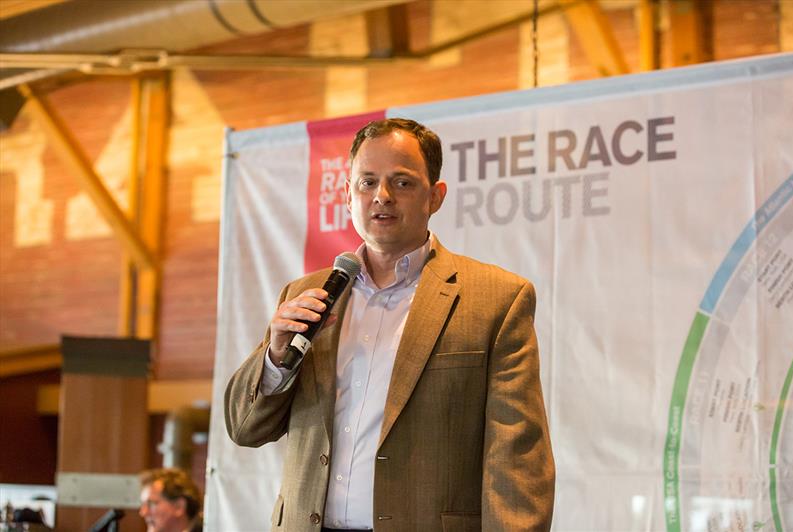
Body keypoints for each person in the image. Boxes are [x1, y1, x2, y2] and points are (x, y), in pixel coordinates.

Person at [225, 118, 555, 531]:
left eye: (401, 183)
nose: (381, 196)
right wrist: (276, 356)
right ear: (347, 195)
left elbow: (517, 458)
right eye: (367, 182)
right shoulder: (307, 295)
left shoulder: (497, 299)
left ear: (435, 197)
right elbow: (244, 428)